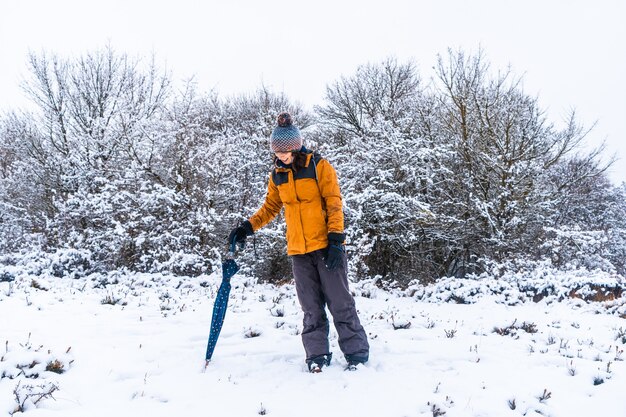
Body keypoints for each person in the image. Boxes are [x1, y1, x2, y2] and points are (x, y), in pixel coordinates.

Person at [229, 112, 369, 373]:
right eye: (277, 151)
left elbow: (333, 202)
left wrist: (337, 240)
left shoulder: (319, 166)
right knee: (311, 308)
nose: (281, 156)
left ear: (296, 146)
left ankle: (357, 353)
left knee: (340, 303)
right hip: (298, 252)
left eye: (285, 151)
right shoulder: (277, 175)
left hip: (326, 247)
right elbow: (270, 207)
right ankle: (317, 356)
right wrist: (247, 228)